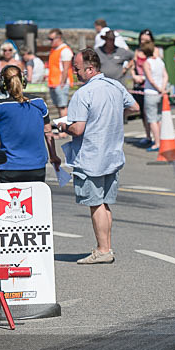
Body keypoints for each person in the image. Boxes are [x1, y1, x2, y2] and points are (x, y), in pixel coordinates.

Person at [56, 49, 139, 265]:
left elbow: (78, 129)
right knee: (105, 203)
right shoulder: (115, 85)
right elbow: (134, 107)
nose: (74, 72)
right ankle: (106, 247)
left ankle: (103, 250)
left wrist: (63, 125)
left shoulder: (83, 94)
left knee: (96, 204)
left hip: (91, 156)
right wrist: (114, 115)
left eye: (77, 68)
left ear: (90, 69)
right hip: (112, 154)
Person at [0, 64, 60, 182]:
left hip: (9, 168)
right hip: (37, 167)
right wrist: (54, 156)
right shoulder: (39, 103)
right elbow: (48, 132)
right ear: (23, 81)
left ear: (3, 84)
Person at [127, 29, 156, 145]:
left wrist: (144, 78)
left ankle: (156, 136)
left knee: (151, 112)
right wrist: (134, 76)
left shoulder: (154, 51)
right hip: (139, 86)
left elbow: (154, 67)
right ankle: (148, 135)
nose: (143, 42)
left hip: (149, 84)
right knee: (143, 112)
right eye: (142, 39)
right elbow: (133, 66)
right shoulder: (137, 51)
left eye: (146, 40)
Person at [141, 42, 168, 152]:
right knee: (159, 118)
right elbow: (165, 75)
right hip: (160, 94)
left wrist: (158, 88)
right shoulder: (160, 61)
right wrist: (163, 88)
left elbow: (150, 79)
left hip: (151, 93)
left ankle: (157, 143)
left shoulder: (147, 63)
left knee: (152, 119)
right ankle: (161, 140)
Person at [47, 29, 74, 122]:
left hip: (61, 83)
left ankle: (64, 130)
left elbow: (66, 69)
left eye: (51, 39)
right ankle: (62, 128)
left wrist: (62, 83)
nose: (50, 41)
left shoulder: (65, 50)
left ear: (59, 38)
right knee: (59, 106)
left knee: (63, 106)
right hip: (53, 83)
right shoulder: (54, 50)